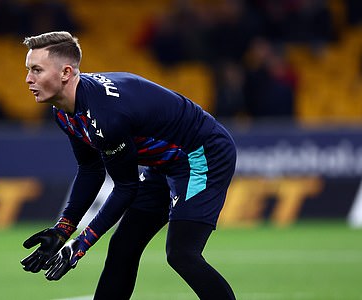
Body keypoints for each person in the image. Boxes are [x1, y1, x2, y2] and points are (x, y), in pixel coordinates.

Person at [20, 31, 237, 300]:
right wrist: (63, 229)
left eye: (36, 70)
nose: (28, 79)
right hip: (164, 163)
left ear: (66, 72)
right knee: (123, 244)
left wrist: (82, 243)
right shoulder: (64, 111)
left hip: (201, 153)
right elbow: (91, 169)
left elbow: (125, 187)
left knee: (182, 254)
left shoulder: (106, 117)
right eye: (29, 70)